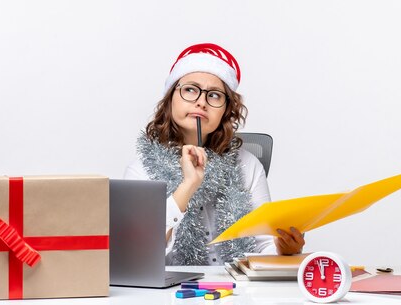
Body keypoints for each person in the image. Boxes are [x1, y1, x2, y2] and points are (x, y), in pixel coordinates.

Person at [124, 43, 305, 265]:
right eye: (190, 89)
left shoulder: (247, 164)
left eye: (214, 95)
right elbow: (137, 254)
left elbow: (263, 244)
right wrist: (187, 186)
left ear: (226, 110)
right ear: (171, 98)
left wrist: (283, 249)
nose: (201, 101)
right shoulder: (141, 170)